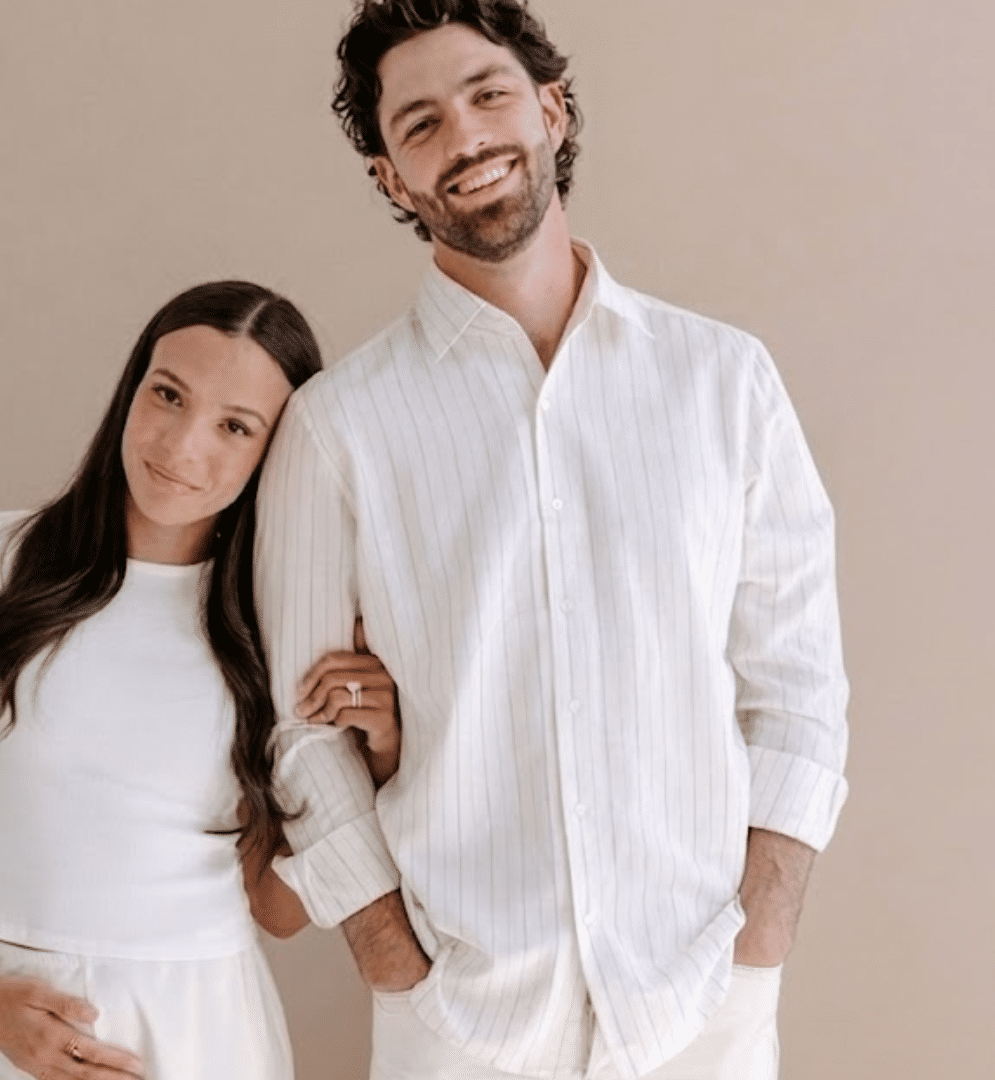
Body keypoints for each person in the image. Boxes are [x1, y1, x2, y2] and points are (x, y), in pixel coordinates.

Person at [256, 3, 851, 1078]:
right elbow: (301, 736)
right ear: (392, 176)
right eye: (422, 122)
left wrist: (761, 934)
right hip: (462, 1017)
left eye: (488, 94)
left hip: (700, 1003)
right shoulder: (338, 428)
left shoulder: (724, 382)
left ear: (551, 107)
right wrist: (394, 959)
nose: (469, 137)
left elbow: (797, 683)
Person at [0, 281, 406, 1080]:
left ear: (272, 454)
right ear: (132, 389)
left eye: (234, 426)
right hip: (14, 1026)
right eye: (168, 395)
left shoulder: (269, 628)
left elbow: (277, 909)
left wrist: (381, 758)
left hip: (205, 1033)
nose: (183, 447)